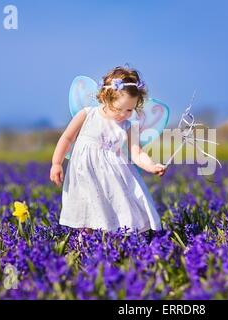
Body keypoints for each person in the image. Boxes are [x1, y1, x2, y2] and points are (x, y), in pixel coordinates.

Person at [50, 66, 165, 235]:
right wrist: (56, 163)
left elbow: (137, 153)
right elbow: (67, 138)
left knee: (116, 208)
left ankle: (117, 242)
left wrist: (152, 166)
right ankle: (85, 244)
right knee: (87, 208)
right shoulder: (87, 115)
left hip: (113, 175)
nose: (123, 114)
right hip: (85, 172)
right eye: (118, 109)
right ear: (105, 98)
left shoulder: (128, 126)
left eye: (129, 110)